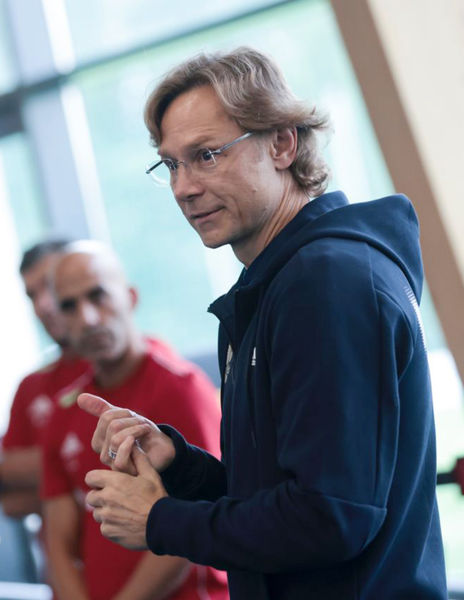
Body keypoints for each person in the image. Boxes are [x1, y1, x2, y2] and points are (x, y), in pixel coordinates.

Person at [78, 48, 448, 599]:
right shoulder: (275, 285)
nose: (183, 188)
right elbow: (285, 497)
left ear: (282, 144)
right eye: (172, 164)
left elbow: (331, 517)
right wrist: (180, 467)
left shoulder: (326, 282)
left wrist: (161, 521)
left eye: (206, 155)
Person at [40, 240, 229, 600]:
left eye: (98, 295)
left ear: (130, 297)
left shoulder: (181, 388)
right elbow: (58, 539)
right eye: (69, 305)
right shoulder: (66, 409)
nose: (87, 318)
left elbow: (201, 515)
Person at [0, 239, 88, 518]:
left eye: (50, 286)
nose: (43, 305)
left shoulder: (133, 365)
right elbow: (10, 502)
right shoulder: (31, 387)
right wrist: (76, 467)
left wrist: (29, 469)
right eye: (32, 295)